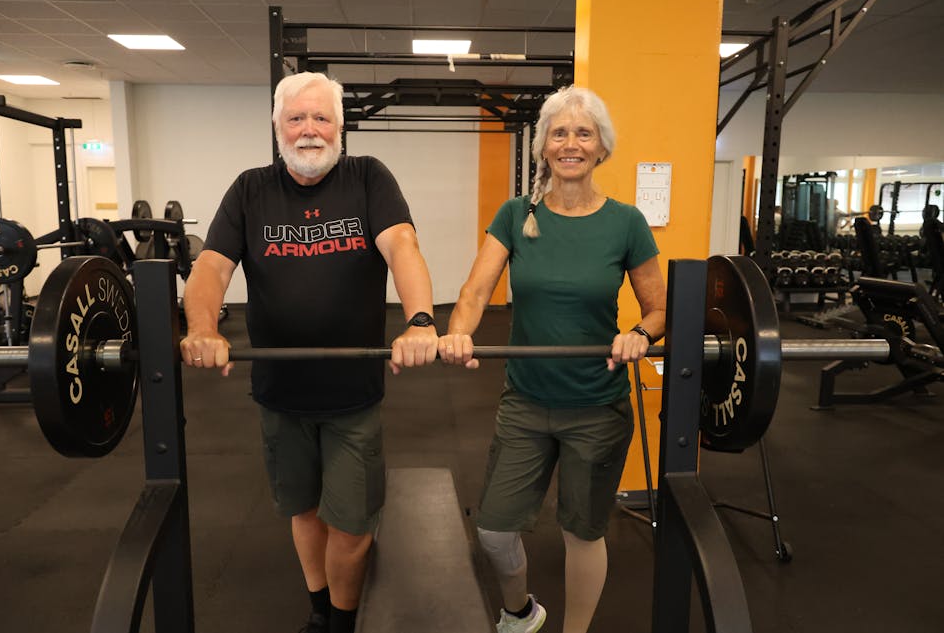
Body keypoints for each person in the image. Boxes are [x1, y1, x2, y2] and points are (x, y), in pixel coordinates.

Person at [180, 71, 438, 633]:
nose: (309, 130)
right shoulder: (250, 189)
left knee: (352, 524)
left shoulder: (368, 178)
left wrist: (420, 322)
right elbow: (211, 267)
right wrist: (202, 327)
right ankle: (320, 610)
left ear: (340, 126)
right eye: (296, 118)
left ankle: (343, 621)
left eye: (321, 118)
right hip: (281, 394)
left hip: (353, 396)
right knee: (304, 509)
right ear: (277, 127)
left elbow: (403, 246)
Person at [438, 86, 666, 633]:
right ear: (543, 148)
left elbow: (659, 309)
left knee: (582, 532)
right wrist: (457, 334)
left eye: (582, 133)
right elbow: (474, 291)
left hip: (597, 404)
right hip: (527, 401)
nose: (570, 143)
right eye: (559, 134)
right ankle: (521, 613)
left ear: (600, 148)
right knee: (494, 530)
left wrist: (639, 332)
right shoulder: (517, 215)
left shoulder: (626, 222)